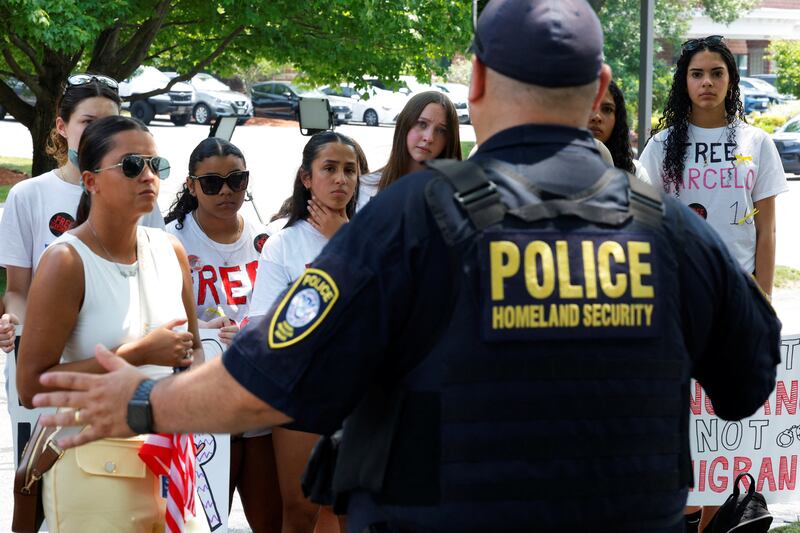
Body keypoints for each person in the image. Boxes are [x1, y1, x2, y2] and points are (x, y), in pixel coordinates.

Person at [33, 2, 781, 532]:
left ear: (478, 84)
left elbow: (267, 385)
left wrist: (141, 402)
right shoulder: (669, 229)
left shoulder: (421, 216)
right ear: (600, 86)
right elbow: (749, 380)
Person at [16, 115, 207, 531]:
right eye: (132, 165)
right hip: (92, 464)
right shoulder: (66, 261)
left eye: (156, 165)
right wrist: (137, 353)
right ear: (91, 180)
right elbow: (31, 388)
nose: (148, 176)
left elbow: (193, 351)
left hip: (168, 461)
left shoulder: (170, 250)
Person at [0, 74, 164, 355]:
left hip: (125, 359)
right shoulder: (27, 195)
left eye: (109, 123)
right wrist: (14, 322)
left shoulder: (140, 194)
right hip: (44, 360)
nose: (98, 132)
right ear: (62, 126)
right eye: (88, 122)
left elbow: (156, 285)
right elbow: (18, 291)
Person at [164, 137, 281, 533]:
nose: (227, 191)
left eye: (237, 179)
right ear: (191, 185)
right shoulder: (168, 241)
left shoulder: (267, 240)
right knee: (203, 519)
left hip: (257, 392)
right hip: (201, 398)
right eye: (212, 183)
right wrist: (199, 331)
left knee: (272, 516)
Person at [248, 130, 362, 533]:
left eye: (349, 170)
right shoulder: (282, 243)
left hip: (361, 397)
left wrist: (345, 243)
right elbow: (263, 325)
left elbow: (387, 317)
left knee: (347, 510)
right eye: (328, 169)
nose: (340, 179)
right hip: (300, 392)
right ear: (306, 178)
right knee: (300, 510)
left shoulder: (373, 235)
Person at [639, 35, 788, 298]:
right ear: (684, 82)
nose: (707, 81)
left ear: (730, 81)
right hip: (678, 291)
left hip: (740, 292)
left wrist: (764, 302)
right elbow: (646, 225)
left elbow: (767, 230)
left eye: (716, 73)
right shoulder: (660, 145)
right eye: (696, 74)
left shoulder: (757, 142)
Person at [356, 90, 461, 211]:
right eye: (422, 124)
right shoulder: (368, 186)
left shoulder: (458, 194)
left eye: (441, 130)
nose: (429, 138)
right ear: (405, 124)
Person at [587, 79, 650, 182]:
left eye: (607, 109)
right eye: (589, 107)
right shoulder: (554, 166)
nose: (597, 117)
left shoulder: (636, 174)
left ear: (617, 118)